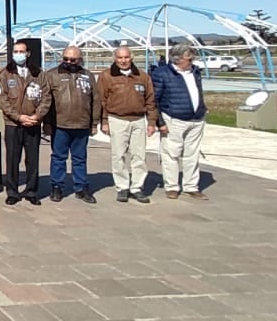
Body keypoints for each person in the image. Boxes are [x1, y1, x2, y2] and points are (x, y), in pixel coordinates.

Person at [150, 43, 209, 200]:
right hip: (173, 119)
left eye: (192, 58)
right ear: (177, 59)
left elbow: (197, 91)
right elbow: (154, 100)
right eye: (188, 59)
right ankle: (172, 186)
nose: (192, 61)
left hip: (196, 119)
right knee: (171, 154)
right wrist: (160, 122)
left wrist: (203, 108)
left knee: (192, 154)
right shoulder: (162, 74)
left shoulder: (195, 72)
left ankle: (191, 186)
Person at [100, 47, 158, 203]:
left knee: (139, 156)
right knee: (118, 156)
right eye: (120, 57)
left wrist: (151, 121)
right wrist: (104, 121)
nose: (123, 60)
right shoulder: (107, 76)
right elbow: (102, 101)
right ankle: (122, 187)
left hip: (138, 120)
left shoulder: (142, 76)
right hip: (117, 119)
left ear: (131, 58)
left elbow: (150, 100)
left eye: (126, 57)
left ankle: (137, 187)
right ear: (115, 58)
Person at [43, 46, 100, 204]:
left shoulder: (87, 76)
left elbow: (95, 100)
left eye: (73, 59)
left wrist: (94, 123)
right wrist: (47, 123)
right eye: (66, 59)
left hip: (81, 124)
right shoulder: (52, 75)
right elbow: (46, 101)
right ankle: (56, 186)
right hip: (60, 125)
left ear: (79, 59)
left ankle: (81, 187)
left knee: (80, 158)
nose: (69, 62)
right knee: (58, 158)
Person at [0, 40, 49, 206]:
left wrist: (37, 116)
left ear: (28, 53)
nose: (18, 54)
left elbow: (46, 97)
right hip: (13, 124)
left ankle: (32, 191)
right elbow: (2, 99)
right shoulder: (5, 74)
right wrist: (18, 117)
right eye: (15, 51)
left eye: (21, 51)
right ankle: (12, 191)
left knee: (32, 159)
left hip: (33, 123)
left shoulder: (38, 73)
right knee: (12, 159)